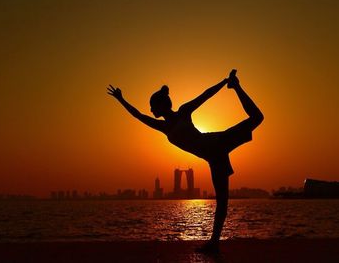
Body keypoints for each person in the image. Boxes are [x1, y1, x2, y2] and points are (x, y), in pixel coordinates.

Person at [107, 70, 263, 253]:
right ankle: (214, 243)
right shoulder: (164, 127)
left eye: (152, 106)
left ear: (161, 105)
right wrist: (121, 99)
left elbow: (204, 96)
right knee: (222, 201)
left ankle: (236, 86)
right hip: (214, 156)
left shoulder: (182, 112)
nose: (150, 110)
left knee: (257, 118)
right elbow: (138, 115)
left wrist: (224, 82)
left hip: (216, 142)